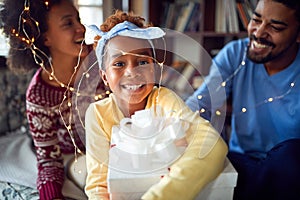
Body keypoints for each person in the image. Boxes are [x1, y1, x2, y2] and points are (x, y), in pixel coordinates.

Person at [84, 10, 228, 200]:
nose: (131, 72)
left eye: (143, 61)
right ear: (104, 76)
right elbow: (98, 184)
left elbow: (210, 142)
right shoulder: (98, 113)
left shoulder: (164, 99)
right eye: (119, 64)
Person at [186, 0, 300, 199]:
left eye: (275, 27)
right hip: (241, 163)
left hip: (288, 173)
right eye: (256, 20)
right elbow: (200, 104)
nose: (258, 32)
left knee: (290, 155)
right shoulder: (235, 53)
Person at [0, 0, 108, 199]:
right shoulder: (39, 94)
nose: (81, 28)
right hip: (76, 157)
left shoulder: (100, 62)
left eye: (79, 20)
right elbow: (49, 161)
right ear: (46, 37)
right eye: (68, 23)